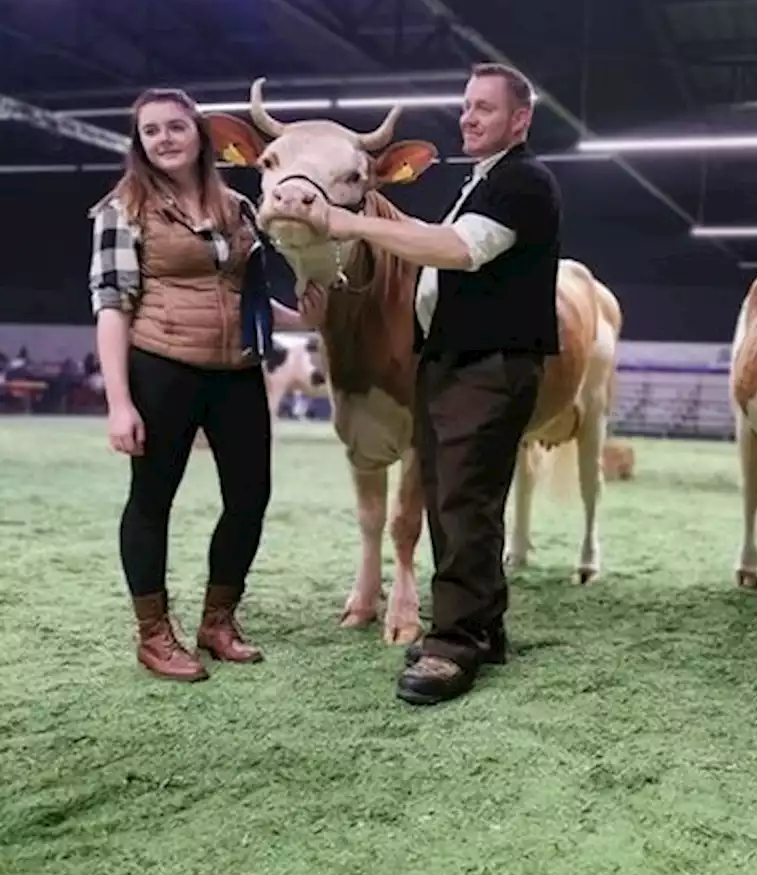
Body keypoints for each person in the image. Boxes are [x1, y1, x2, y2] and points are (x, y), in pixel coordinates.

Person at [293, 62, 560, 707]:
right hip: (456, 363)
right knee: (455, 497)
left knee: (462, 500)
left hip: (488, 364)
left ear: (520, 119)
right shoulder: (485, 181)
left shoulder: (522, 181)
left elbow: (456, 250)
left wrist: (350, 224)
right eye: (466, 107)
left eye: (485, 109)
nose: (468, 117)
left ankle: (455, 643)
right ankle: (483, 626)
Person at [89, 87, 317, 683]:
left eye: (175, 127)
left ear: (198, 134)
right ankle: (153, 634)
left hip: (237, 371)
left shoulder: (239, 206)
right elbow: (112, 307)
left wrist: (307, 317)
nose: (163, 139)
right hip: (161, 366)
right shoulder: (123, 208)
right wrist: (119, 403)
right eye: (150, 131)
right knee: (151, 501)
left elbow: (248, 296)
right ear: (139, 142)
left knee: (250, 497)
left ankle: (218, 621)